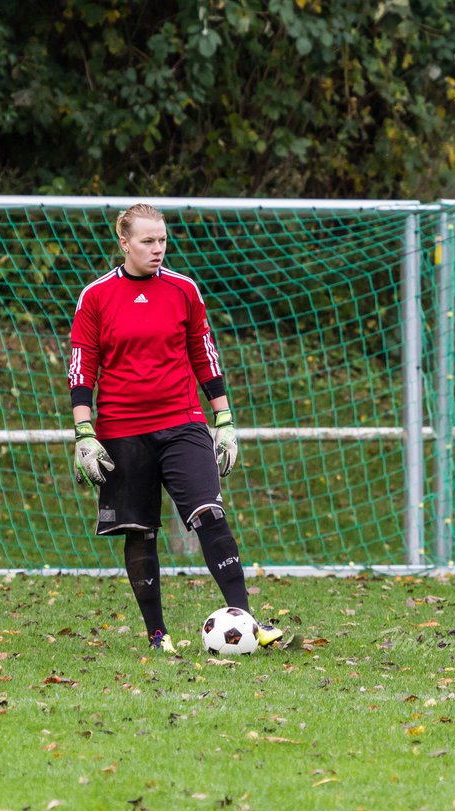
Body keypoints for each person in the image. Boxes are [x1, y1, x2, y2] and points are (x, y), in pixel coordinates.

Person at [66, 203, 294, 654]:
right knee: (141, 530)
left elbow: (203, 352)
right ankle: (157, 635)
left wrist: (224, 420)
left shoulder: (183, 290)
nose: (157, 249)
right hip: (123, 429)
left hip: (183, 421)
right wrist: (84, 433)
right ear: (124, 243)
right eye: (147, 241)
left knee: (210, 513)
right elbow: (81, 365)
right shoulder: (96, 296)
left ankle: (247, 621)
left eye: (162, 240)